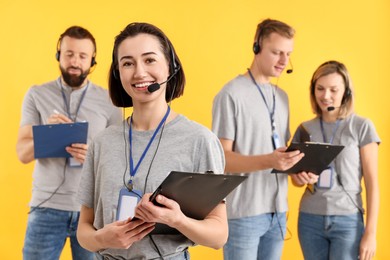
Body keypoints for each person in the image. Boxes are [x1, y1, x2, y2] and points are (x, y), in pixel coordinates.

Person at [76, 22, 228, 260]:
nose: (138, 72)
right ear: (118, 73)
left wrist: (177, 220)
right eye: (127, 63)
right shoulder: (102, 142)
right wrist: (102, 239)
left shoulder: (200, 140)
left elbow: (218, 236)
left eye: (149, 60)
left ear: (170, 66)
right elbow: (83, 229)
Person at [16, 26, 122, 260]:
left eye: (82, 56)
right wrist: (47, 133)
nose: (75, 61)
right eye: (69, 54)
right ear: (58, 55)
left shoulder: (110, 101)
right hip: (45, 207)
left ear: (92, 61)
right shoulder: (36, 94)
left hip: (92, 212)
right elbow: (22, 153)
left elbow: (120, 161)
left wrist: (93, 156)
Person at [212, 18, 304, 260]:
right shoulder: (230, 94)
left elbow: (279, 155)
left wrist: (297, 170)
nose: (284, 61)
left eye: (288, 54)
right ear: (257, 48)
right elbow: (221, 160)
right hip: (244, 214)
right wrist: (270, 161)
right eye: (277, 52)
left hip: (278, 213)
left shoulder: (282, 97)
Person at [290, 60, 380, 260]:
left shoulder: (361, 126)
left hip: (348, 220)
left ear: (346, 92)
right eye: (320, 89)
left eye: (333, 89)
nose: (326, 96)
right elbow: (295, 178)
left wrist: (371, 233)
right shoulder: (305, 128)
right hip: (309, 219)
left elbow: (372, 183)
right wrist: (300, 179)